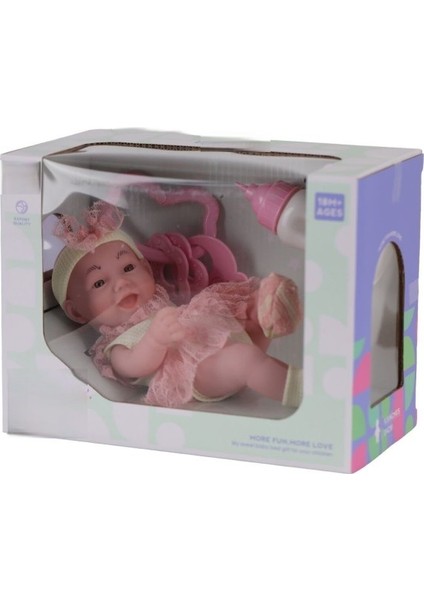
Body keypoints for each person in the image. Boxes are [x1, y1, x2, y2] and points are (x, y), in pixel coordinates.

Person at [51, 201, 302, 408]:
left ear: (146, 268)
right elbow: (132, 367)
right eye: (99, 283)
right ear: (76, 311)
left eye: (128, 267)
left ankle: (268, 315)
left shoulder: (161, 304)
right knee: (245, 360)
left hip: (215, 336)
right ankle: (307, 398)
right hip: (194, 373)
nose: (121, 283)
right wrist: (155, 340)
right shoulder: (116, 345)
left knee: (247, 317)